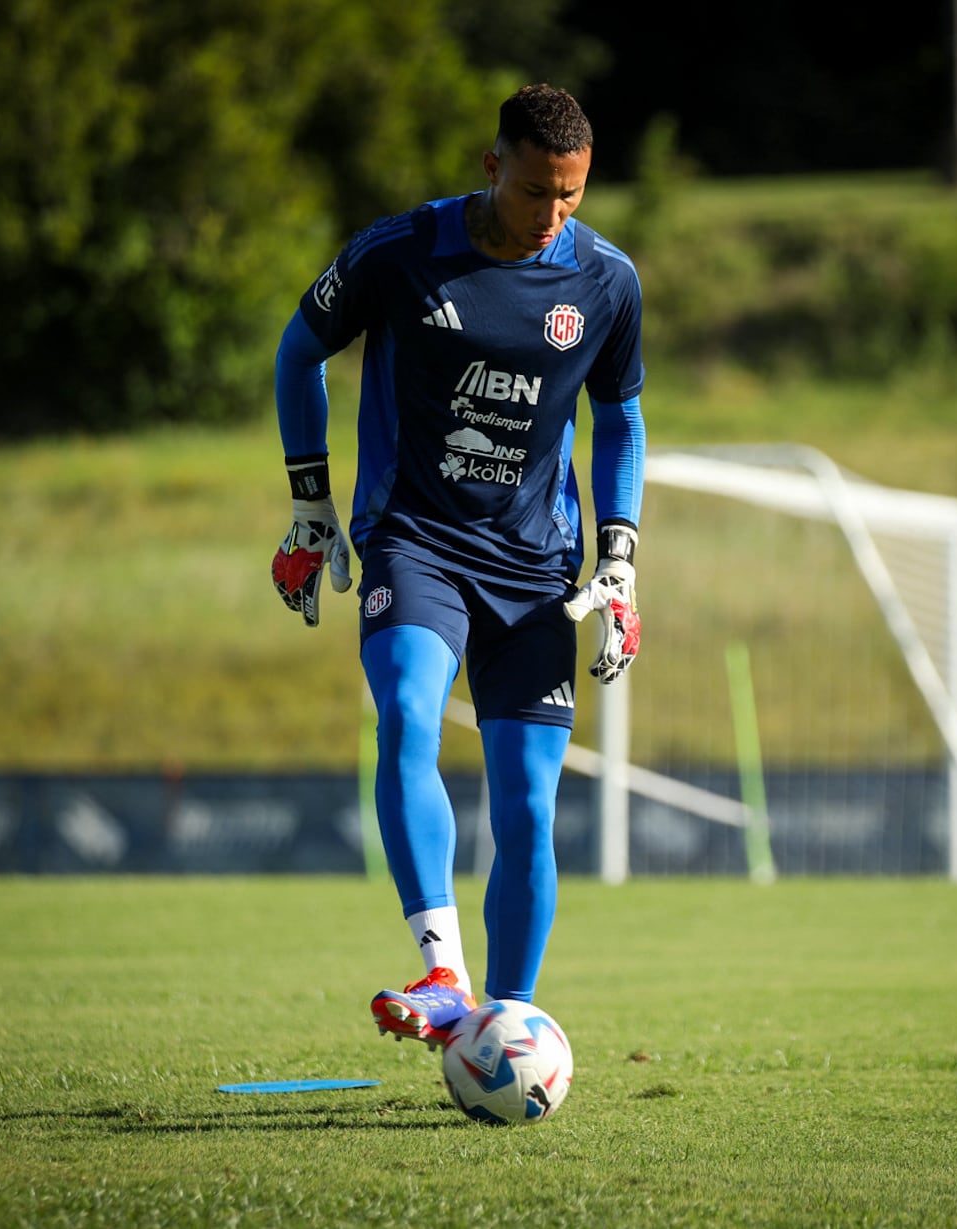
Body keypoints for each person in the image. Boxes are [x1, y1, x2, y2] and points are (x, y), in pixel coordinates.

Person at [270, 84, 645, 1048]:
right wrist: (311, 504)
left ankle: (507, 1022)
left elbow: (622, 418)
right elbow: (298, 351)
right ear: (492, 167)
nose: (551, 217)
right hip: (415, 537)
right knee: (406, 712)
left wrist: (619, 557)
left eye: (569, 197)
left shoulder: (604, 279)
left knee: (526, 801)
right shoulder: (399, 251)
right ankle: (443, 968)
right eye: (533, 192)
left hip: (535, 566)